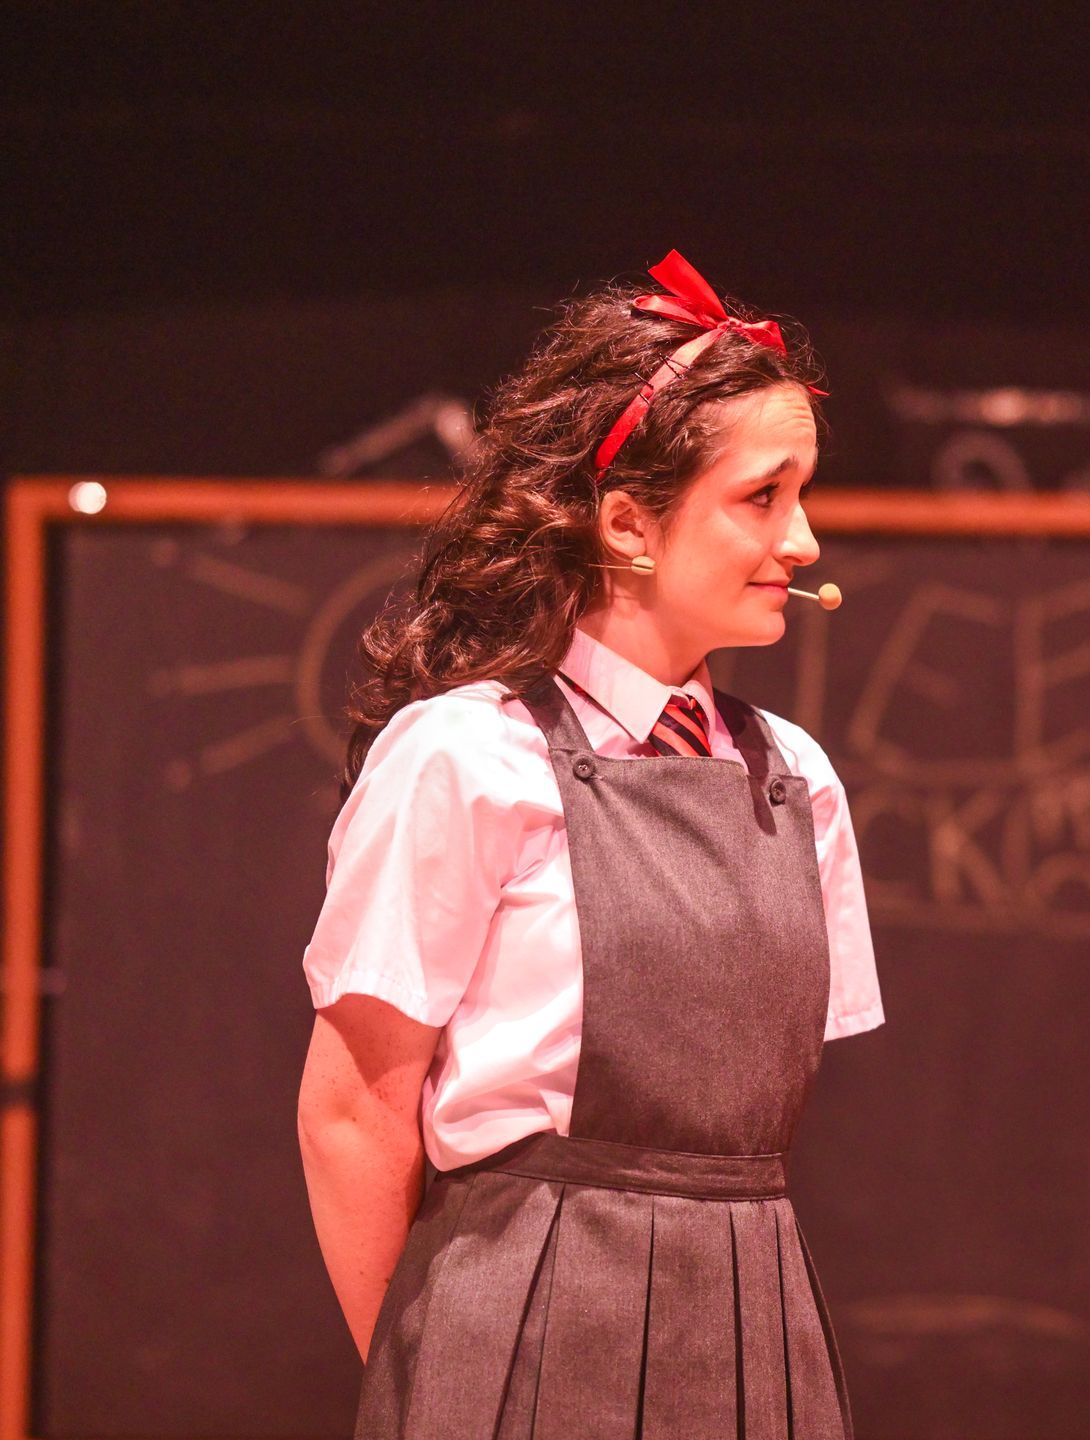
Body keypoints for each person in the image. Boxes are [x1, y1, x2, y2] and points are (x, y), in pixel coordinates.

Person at [296, 251, 881, 1439]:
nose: (805, 540)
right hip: (514, 1322)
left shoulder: (796, 780)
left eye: (805, 494)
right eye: (763, 497)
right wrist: (427, 1377)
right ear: (629, 525)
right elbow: (354, 1113)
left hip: (753, 1316)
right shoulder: (467, 755)